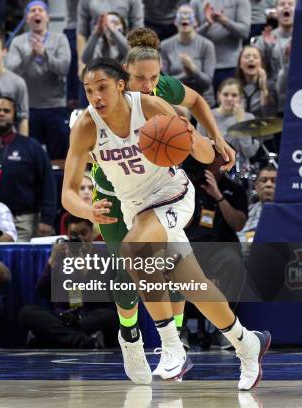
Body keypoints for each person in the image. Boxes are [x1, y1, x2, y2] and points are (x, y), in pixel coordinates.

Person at [64, 57, 270, 390]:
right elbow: (68, 193)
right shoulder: (86, 126)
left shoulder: (150, 106)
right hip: (136, 207)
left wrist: (200, 141)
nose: (96, 97)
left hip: (172, 193)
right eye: (89, 91)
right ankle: (247, 343)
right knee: (193, 284)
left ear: (120, 85)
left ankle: (171, 344)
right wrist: (87, 211)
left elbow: (203, 155)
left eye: (102, 88)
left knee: (133, 252)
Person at [90, 28, 238, 357]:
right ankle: (128, 332)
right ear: (122, 78)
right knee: (125, 270)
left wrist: (217, 139)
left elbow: (197, 100)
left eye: (153, 78)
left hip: (158, 190)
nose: (148, 85)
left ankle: (176, 340)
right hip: (115, 193)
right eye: (140, 79)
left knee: (173, 265)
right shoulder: (106, 102)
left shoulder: (161, 91)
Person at [0, 96, 57, 241]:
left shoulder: (32, 147)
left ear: (15, 116)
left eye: (6, 111)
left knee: (20, 263)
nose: (1, 113)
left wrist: (46, 219)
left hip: (22, 222)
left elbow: (48, 184)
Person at [19, 215, 117, 348]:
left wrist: (85, 271)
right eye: (74, 235)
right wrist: (51, 263)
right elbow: (41, 292)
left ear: (92, 234)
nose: (80, 239)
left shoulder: (103, 257)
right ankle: (84, 342)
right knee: (27, 313)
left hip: (87, 317)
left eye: (84, 233)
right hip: (62, 316)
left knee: (110, 317)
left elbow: (105, 296)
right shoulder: (59, 257)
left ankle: (50, 339)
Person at [5, 1, 71, 160]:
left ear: (47, 17)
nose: (36, 13)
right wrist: (31, 56)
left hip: (55, 107)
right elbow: (12, 71)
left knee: (59, 158)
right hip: (28, 109)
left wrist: (44, 55)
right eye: (32, 10)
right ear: (27, 18)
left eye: (40, 10)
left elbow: (64, 68)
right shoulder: (18, 42)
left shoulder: (60, 39)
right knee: (30, 157)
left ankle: (59, 184)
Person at [190, 0, 251, 93]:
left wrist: (224, 21)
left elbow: (245, 32)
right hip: (203, 68)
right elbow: (190, 37)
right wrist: (207, 25)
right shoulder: (196, 2)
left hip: (231, 65)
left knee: (231, 103)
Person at [161, 5, 217, 107]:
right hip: (177, 102)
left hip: (203, 101)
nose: (185, 18)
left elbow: (207, 83)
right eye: (181, 15)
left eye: (189, 15)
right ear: (175, 22)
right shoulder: (165, 46)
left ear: (195, 22)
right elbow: (165, 84)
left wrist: (193, 69)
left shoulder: (207, 45)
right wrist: (186, 75)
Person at [197, 78, 259, 170]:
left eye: (234, 95)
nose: (229, 98)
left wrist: (241, 122)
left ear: (240, 98)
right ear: (218, 95)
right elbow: (199, 148)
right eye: (225, 95)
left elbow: (249, 152)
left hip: (239, 169)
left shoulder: (249, 118)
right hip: (212, 168)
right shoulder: (206, 116)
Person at [76, 0, 144, 75]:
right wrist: (81, 65)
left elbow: (138, 33)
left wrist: (112, 30)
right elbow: (82, 33)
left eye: (115, 23)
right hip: (97, 60)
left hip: (125, 61)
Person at [235, 45, 278, 118]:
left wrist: (263, 88)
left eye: (255, 57)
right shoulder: (234, 86)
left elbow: (270, 115)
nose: (251, 59)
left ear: (261, 64)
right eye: (247, 57)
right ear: (240, 64)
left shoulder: (270, 86)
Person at [238, 165, 277, 243]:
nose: (268, 184)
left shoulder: (290, 214)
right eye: (264, 180)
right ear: (256, 186)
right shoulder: (246, 213)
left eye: (274, 181)